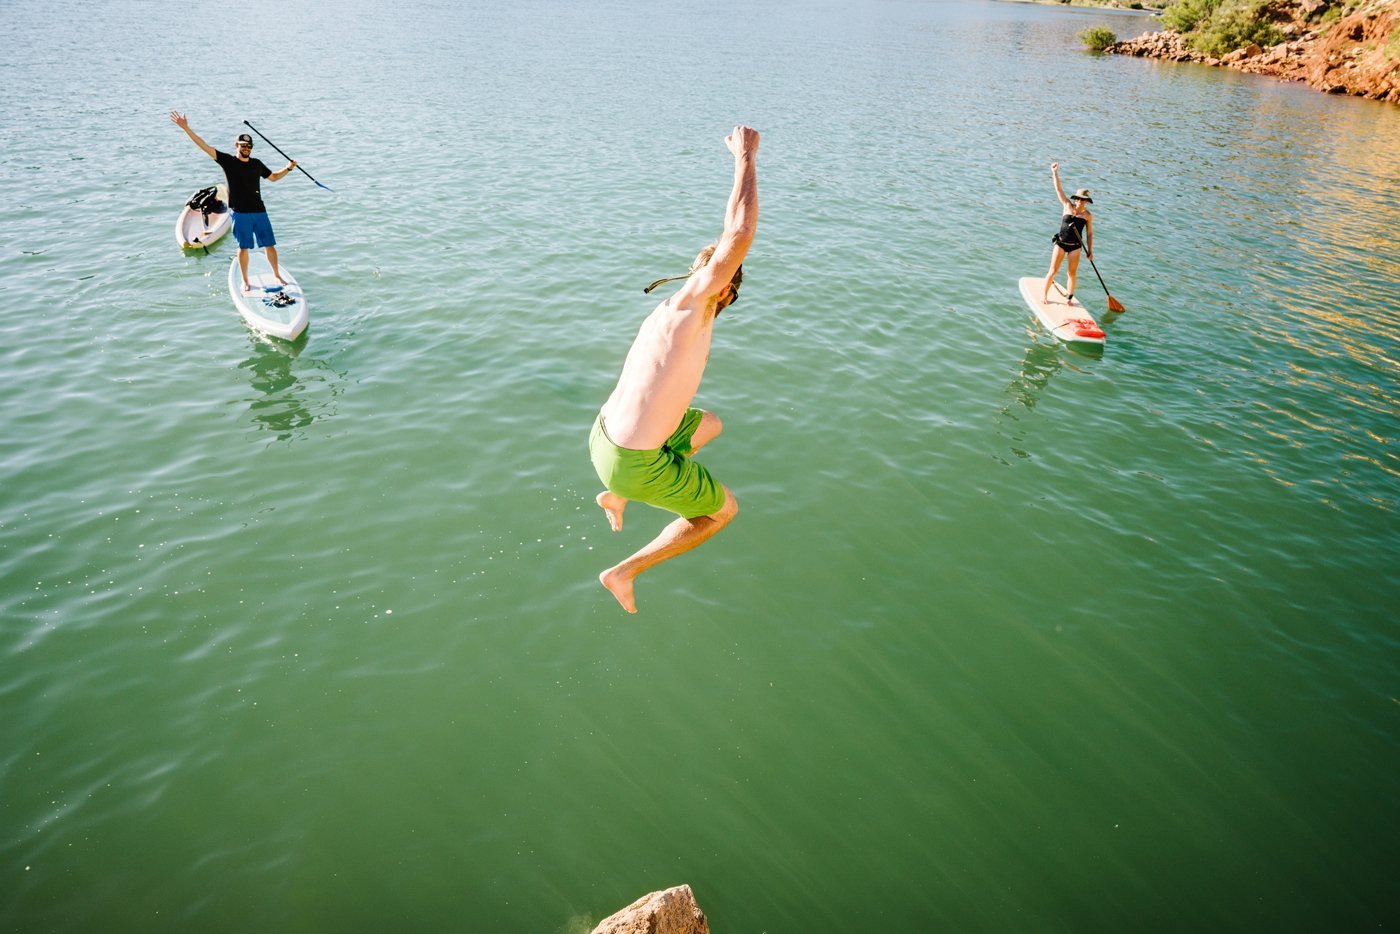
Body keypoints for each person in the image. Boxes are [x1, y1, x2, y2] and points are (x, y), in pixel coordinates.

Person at [589, 125, 759, 614]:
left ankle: (616, 497)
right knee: (720, 511)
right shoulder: (697, 301)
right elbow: (739, 232)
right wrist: (745, 155)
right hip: (631, 462)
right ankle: (623, 571)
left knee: (709, 424)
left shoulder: (676, 310)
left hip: (604, 439)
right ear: (723, 285)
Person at [169, 112, 296, 292]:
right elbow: (204, 146)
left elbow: (274, 177)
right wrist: (186, 128)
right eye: (243, 145)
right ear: (237, 145)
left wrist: (289, 168)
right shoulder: (228, 161)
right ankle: (245, 280)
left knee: (270, 245)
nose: (246, 148)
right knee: (243, 248)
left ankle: (276, 274)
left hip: (259, 211)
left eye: (249, 146)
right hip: (240, 212)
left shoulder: (256, 164)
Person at [1041, 162, 1095, 306]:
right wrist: (1055, 173)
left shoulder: (1088, 215)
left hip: (1075, 247)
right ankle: (1044, 295)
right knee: (1053, 271)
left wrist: (1090, 250)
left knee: (1071, 273)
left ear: (1086, 201)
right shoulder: (1067, 205)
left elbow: (1089, 234)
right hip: (1061, 243)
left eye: (1083, 200)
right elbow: (1058, 189)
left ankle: (1069, 299)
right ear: (1075, 199)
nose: (1080, 201)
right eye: (1078, 199)